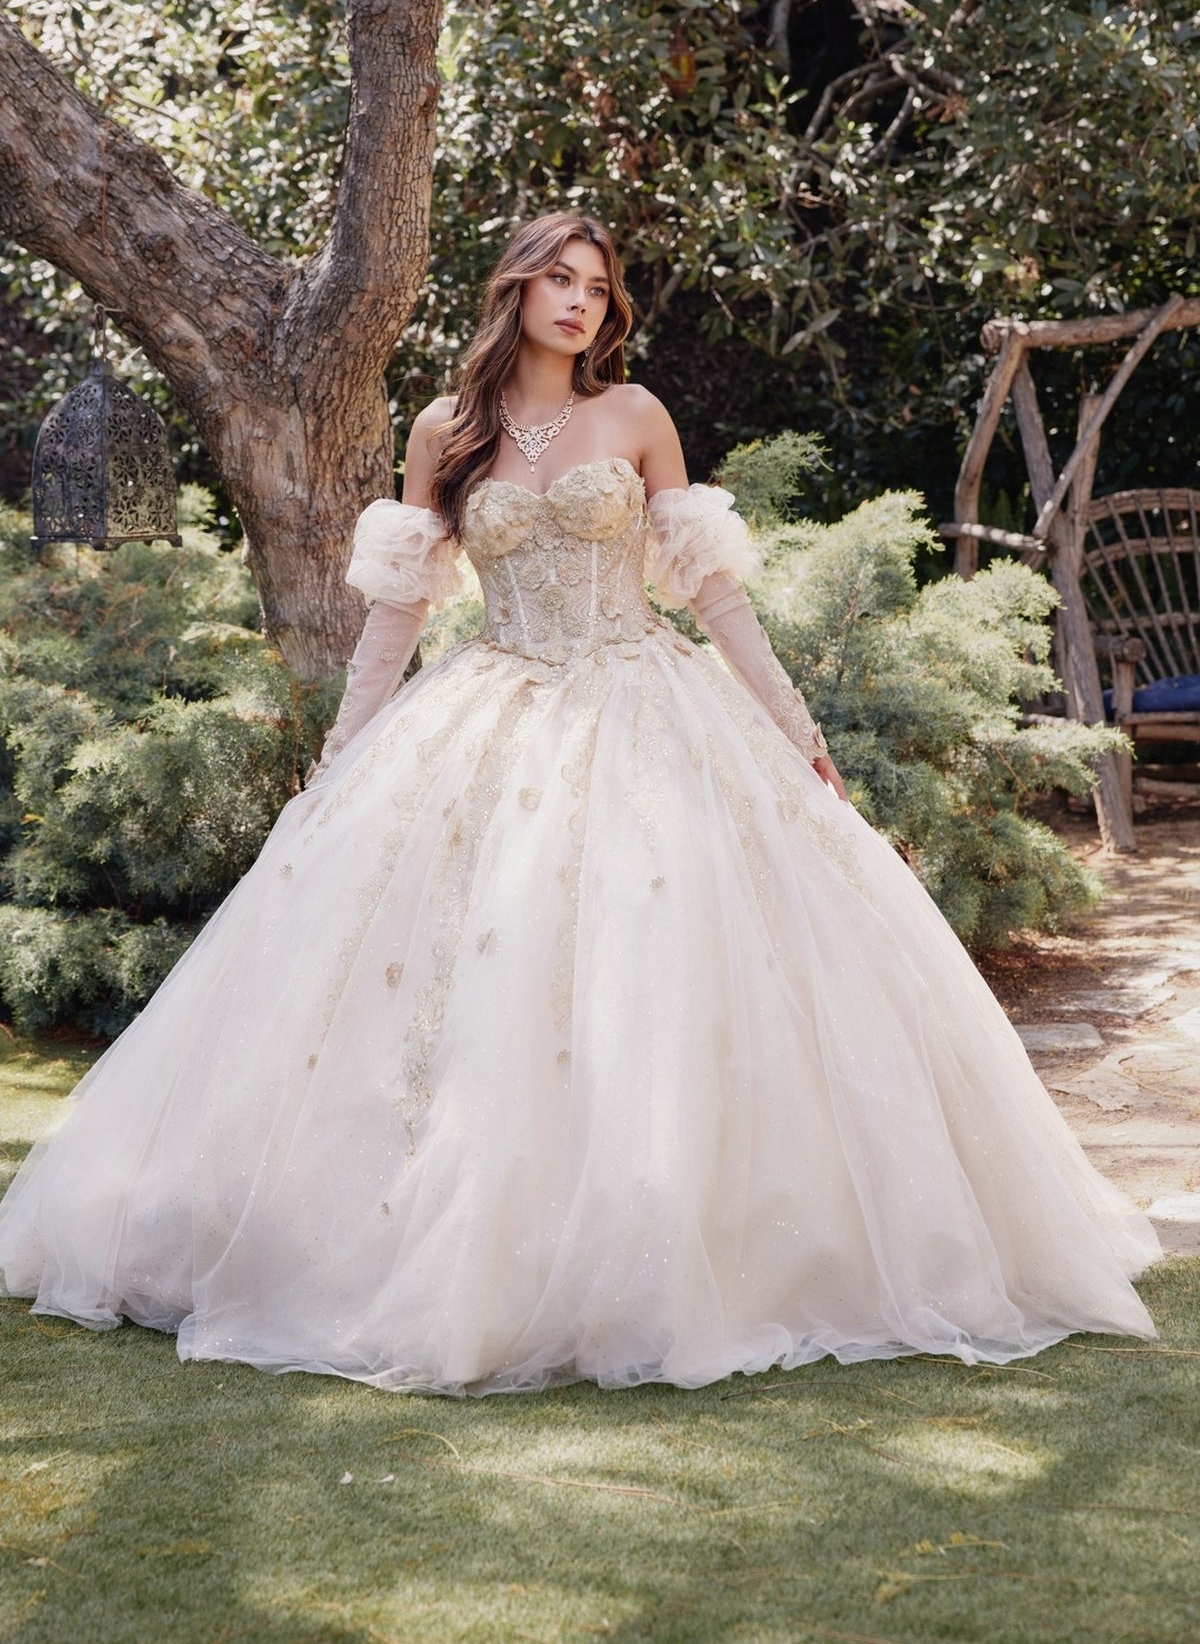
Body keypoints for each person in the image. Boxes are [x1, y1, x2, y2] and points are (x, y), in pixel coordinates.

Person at [0, 211, 1160, 1394]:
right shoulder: (445, 431)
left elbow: (714, 594)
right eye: (558, 279)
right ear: (514, 288)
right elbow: (397, 614)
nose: (577, 302)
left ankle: (680, 1238)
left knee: (650, 958)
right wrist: (340, 756)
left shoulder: (637, 414)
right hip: (491, 704)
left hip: (641, 699)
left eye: (597, 288)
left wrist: (795, 726)